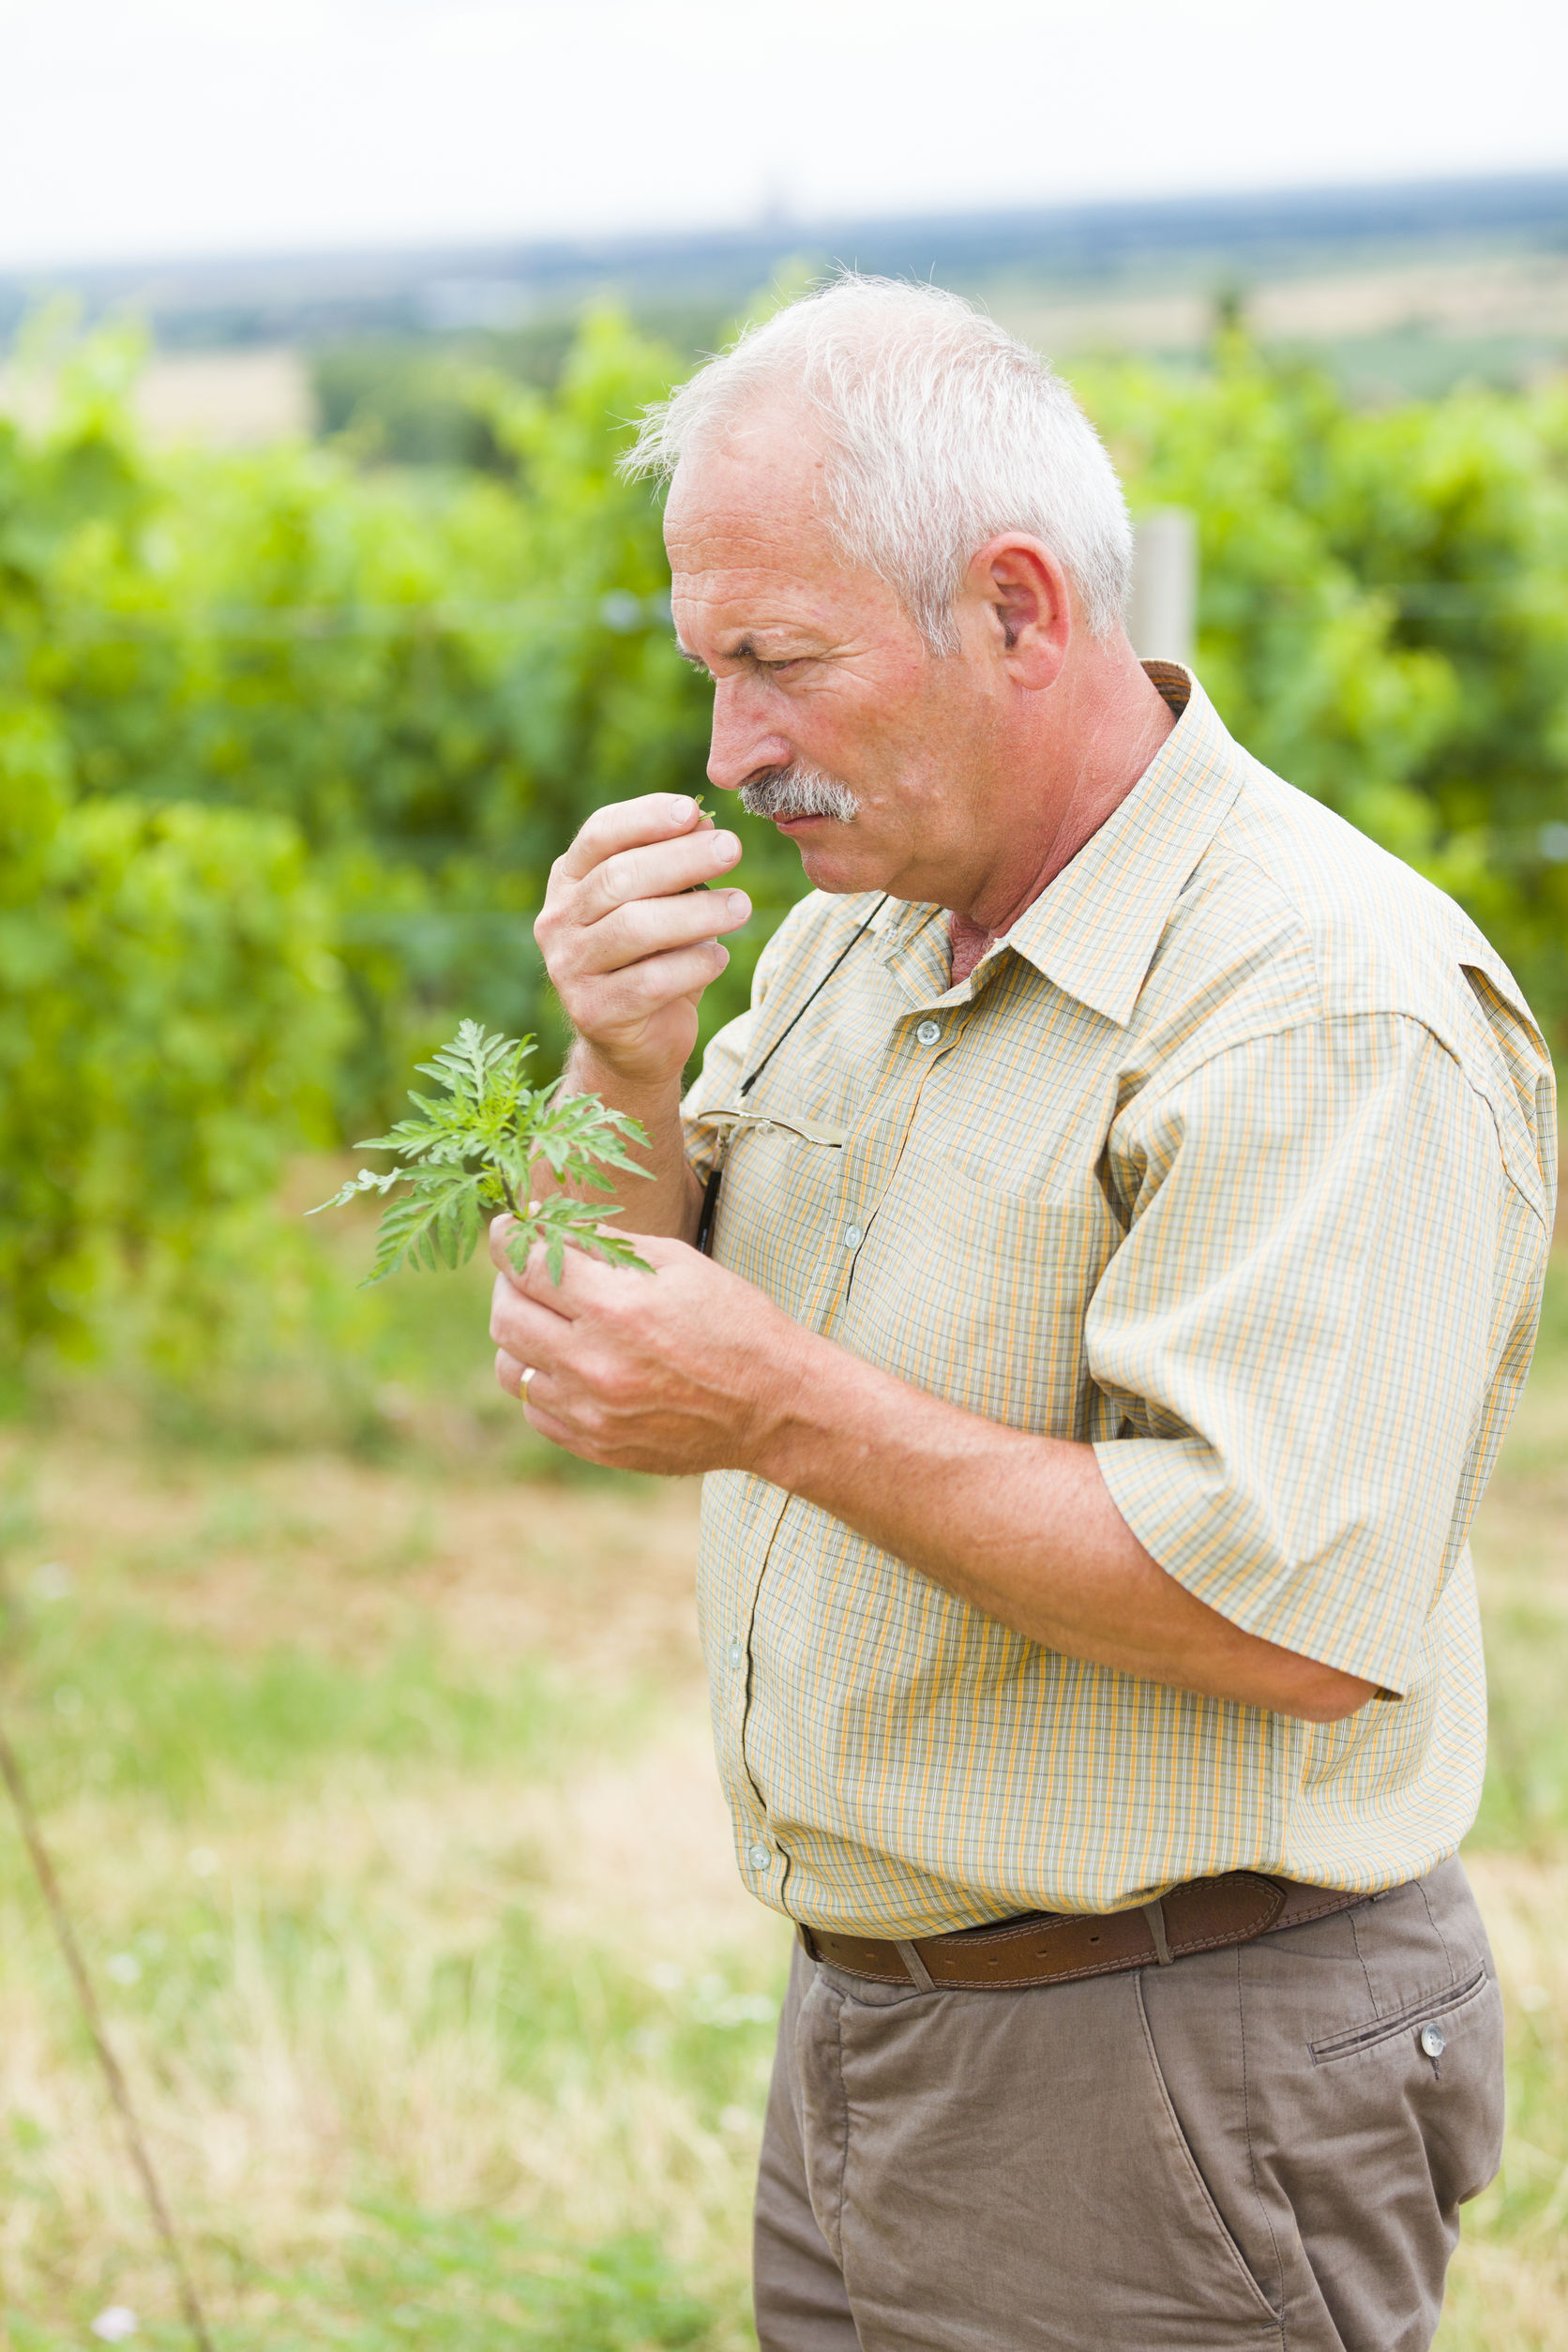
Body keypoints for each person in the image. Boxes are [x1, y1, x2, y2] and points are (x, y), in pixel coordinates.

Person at [488, 278, 1556, 2351]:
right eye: (708, 668)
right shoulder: (861, 931)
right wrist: (615, 1068)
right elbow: (628, 1321)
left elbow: (1275, 1611)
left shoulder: (1314, 1003)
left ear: (1014, 609)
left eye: (777, 663)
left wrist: (782, 1406)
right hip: (885, 2040)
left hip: (1174, 2063)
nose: (731, 750)